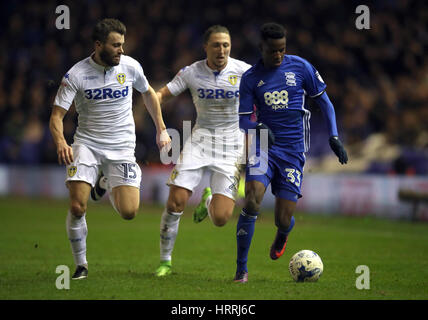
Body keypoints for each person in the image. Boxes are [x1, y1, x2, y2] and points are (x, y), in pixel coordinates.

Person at [49, 18, 171, 280]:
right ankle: (81, 265)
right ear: (98, 45)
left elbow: (149, 93)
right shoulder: (77, 74)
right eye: (116, 45)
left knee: (129, 212)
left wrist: (161, 128)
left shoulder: (130, 66)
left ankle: (103, 181)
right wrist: (61, 141)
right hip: (87, 145)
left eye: (122, 45)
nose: (121, 50)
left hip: (122, 148)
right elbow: (57, 116)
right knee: (78, 206)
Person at [234, 22, 348, 283]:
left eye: (282, 50)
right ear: (261, 47)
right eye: (273, 50)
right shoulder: (250, 78)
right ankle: (241, 269)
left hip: (293, 151)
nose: (278, 55)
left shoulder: (301, 67)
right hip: (263, 145)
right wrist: (258, 125)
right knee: (251, 199)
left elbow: (325, 102)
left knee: (283, 218)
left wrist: (334, 136)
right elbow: (243, 121)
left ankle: (284, 232)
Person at [154, 25, 251, 277]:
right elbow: (160, 95)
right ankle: (165, 261)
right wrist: (160, 126)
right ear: (205, 47)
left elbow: (265, 97)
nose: (222, 50)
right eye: (216, 45)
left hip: (231, 147)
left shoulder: (244, 71)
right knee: (176, 201)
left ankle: (208, 199)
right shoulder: (191, 72)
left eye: (226, 45)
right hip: (200, 141)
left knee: (221, 218)